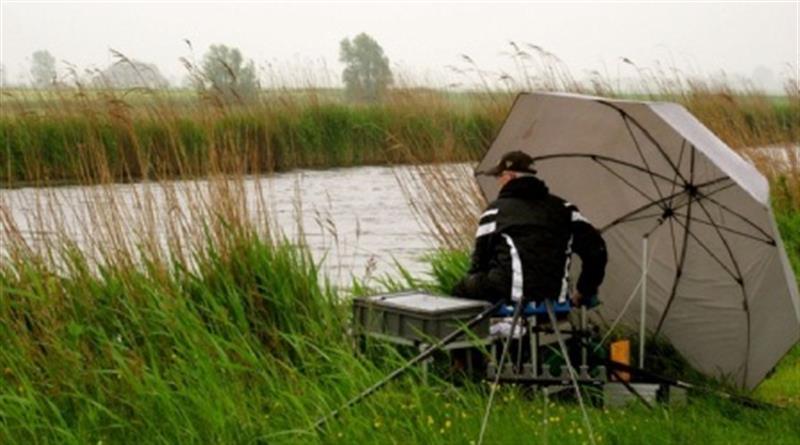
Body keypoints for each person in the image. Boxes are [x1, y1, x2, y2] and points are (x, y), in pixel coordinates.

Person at [452, 151, 607, 307]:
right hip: (554, 297)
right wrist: (584, 290)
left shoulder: (495, 212)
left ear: (510, 176)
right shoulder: (566, 209)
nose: (498, 182)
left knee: (460, 289)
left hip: (508, 295)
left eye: (499, 177)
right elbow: (597, 251)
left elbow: (479, 262)